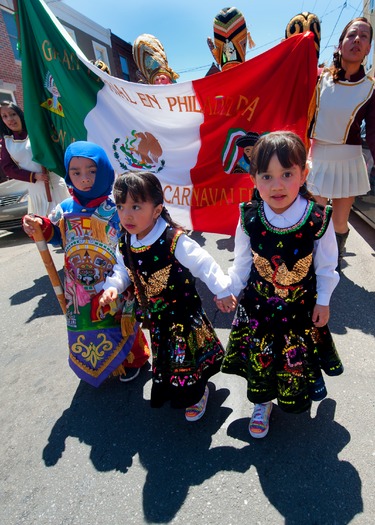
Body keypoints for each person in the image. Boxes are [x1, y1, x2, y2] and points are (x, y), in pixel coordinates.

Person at [219, 131, 343, 438]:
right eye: (267, 175)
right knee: (261, 359)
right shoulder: (248, 217)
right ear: (254, 179)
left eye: (287, 174)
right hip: (259, 310)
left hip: (300, 310)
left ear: (303, 174)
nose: (277, 185)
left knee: (295, 358)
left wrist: (323, 300)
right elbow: (242, 263)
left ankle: (300, 390)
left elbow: (327, 265)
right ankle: (262, 402)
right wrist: (227, 290)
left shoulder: (318, 218)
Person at [99, 171, 236, 421]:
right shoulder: (126, 240)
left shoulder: (173, 240)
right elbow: (123, 270)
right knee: (173, 358)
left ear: (156, 209)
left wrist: (222, 290)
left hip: (183, 314)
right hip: (158, 317)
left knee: (189, 358)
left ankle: (196, 393)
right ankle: (186, 387)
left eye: (136, 206)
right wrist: (113, 287)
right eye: (121, 206)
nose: (127, 214)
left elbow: (203, 263)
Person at [22, 141, 150, 387]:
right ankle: (98, 363)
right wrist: (38, 225)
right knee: (86, 325)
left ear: (103, 169)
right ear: (68, 174)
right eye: (76, 172)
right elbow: (53, 233)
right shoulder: (65, 209)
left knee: (120, 320)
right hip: (78, 286)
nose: (85, 179)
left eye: (92, 170)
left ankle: (133, 360)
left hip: (113, 278)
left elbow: (135, 234)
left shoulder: (117, 206)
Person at [307, 17, 375, 271]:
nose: (357, 40)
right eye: (352, 35)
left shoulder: (370, 89)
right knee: (317, 216)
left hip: (349, 160)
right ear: (340, 44)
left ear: (368, 49)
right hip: (320, 156)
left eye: (364, 36)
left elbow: (374, 134)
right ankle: (314, 260)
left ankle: (334, 257)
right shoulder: (319, 79)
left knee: (338, 223)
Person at [0, 101, 70, 215]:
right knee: (47, 227)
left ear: (19, 114)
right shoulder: (7, 142)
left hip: (56, 183)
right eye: (5, 116)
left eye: (12, 114)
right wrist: (34, 176)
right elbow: (8, 168)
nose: (10, 119)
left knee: (67, 221)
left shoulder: (37, 130)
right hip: (36, 190)